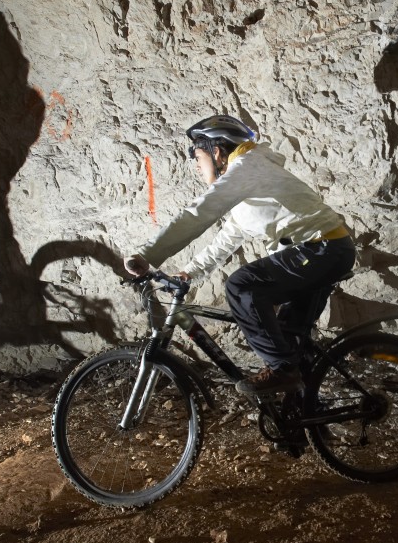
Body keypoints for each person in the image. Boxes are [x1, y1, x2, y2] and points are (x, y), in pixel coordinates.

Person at [124, 114, 356, 399]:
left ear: (217, 151)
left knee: (241, 285)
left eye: (197, 156)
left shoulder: (248, 166)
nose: (196, 166)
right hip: (322, 253)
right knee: (289, 341)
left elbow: (200, 212)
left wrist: (148, 255)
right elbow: (228, 238)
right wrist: (190, 272)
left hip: (320, 250)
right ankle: (305, 421)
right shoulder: (251, 179)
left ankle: (283, 369)